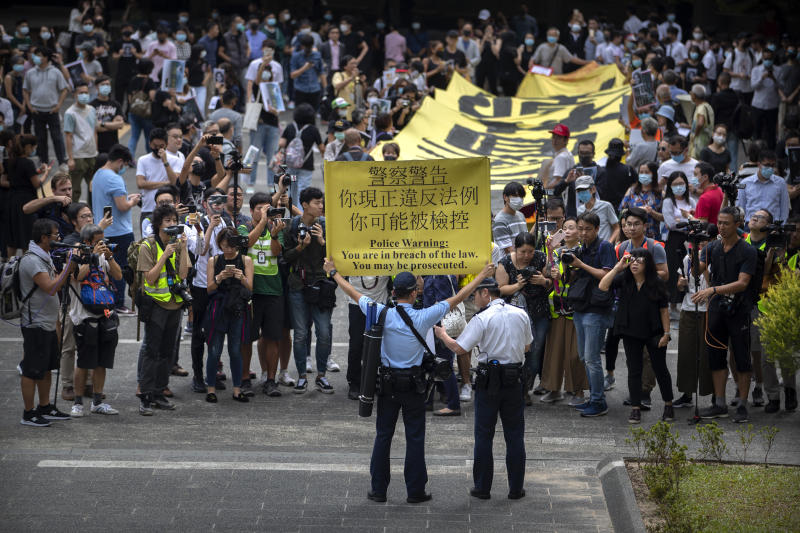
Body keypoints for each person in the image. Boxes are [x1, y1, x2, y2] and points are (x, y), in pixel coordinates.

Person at [322, 258, 494, 504]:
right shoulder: (425, 316)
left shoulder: (380, 312)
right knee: (415, 437)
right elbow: (459, 297)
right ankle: (415, 491)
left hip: (388, 385)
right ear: (415, 293)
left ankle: (378, 490)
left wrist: (334, 273)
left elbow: (353, 292)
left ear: (393, 292)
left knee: (383, 436)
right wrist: (482, 275)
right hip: (414, 387)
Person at [435, 277, 531, 500]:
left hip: (490, 382)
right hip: (514, 379)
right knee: (515, 435)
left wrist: (443, 335)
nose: (474, 299)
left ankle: (482, 487)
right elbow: (527, 346)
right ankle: (516, 488)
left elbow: (459, 348)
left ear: (485, 293)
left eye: (475, 295)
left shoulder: (482, 318)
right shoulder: (521, 314)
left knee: (484, 435)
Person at [692, 206, 758, 423]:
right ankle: (719, 403)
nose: (720, 226)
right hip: (717, 309)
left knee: (741, 358)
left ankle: (742, 403)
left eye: (726, 223)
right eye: (719, 222)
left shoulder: (747, 251)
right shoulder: (711, 248)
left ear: (737, 225)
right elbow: (696, 271)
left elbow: (742, 283)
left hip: (739, 309)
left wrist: (713, 290)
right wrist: (694, 248)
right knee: (716, 356)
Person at [599, 249, 674, 424]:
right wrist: (618, 267)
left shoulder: (656, 283)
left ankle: (668, 405)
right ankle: (635, 408)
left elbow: (664, 311)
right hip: (631, 332)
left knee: (660, 369)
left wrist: (667, 334)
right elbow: (603, 286)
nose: (634, 263)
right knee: (634, 370)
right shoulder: (624, 280)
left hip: (655, 332)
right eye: (631, 260)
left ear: (647, 264)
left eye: (639, 261)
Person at [17, 218, 74, 426]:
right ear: (43, 238)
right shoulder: (32, 260)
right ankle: (28, 412)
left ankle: (45, 406)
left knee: (47, 367)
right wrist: (70, 265)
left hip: (48, 323)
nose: (58, 239)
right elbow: (50, 287)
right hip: (35, 324)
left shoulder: (44, 256)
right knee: (32, 369)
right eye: (55, 236)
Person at [136, 204, 190, 415]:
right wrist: (165, 255)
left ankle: (159, 392)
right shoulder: (148, 246)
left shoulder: (177, 244)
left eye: (174, 221)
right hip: (156, 305)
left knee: (167, 353)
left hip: (175, 304)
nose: (172, 224)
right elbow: (148, 277)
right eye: (167, 221)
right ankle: (145, 396)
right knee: (151, 351)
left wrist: (183, 249)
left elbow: (184, 274)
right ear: (158, 224)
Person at [281, 187, 334, 394]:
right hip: (298, 285)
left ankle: (321, 375)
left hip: (321, 285)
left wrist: (323, 242)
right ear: (304, 205)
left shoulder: (326, 226)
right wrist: (301, 247)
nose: (321, 206)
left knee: (324, 332)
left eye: (322, 203)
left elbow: (336, 256)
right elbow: (285, 257)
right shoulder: (292, 226)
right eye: (317, 203)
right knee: (301, 334)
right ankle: (302, 375)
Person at [68, 224, 122, 417]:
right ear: (87, 242)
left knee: (102, 362)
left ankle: (97, 402)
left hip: (104, 315)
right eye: (99, 241)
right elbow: (76, 277)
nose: (103, 244)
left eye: (103, 240)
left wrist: (109, 256)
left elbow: (118, 275)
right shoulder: (76, 255)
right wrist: (91, 259)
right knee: (83, 362)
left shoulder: (103, 256)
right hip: (84, 317)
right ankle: (78, 403)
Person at [567, 212, 616, 417]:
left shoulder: (604, 246)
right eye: (580, 228)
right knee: (584, 356)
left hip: (597, 309)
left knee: (592, 359)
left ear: (597, 229)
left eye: (588, 229)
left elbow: (607, 275)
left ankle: (598, 402)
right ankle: (593, 398)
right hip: (581, 308)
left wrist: (581, 264)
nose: (583, 232)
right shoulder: (580, 248)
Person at [496, 232, 552, 401]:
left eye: (530, 251)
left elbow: (552, 283)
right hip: (514, 316)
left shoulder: (541, 258)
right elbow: (500, 289)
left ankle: (525, 389)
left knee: (535, 352)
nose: (527, 256)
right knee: (515, 351)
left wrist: (543, 281)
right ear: (515, 249)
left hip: (539, 313)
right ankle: (513, 387)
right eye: (523, 252)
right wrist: (518, 285)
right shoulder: (505, 262)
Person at [540, 217, 588, 405]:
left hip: (575, 308)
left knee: (575, 353)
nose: (567, 231)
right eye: (565, 228)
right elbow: (545, 273)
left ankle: (577, 391)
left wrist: (565, 276)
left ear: (579, 232)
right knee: (555, 351)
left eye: (572, 228)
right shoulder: (556, 251)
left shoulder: (582, 252)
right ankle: (553, 389)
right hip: (557, 308)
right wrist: (550, 269)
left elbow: (582, 277)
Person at [242, 194, 286, 397]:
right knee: (246, 338)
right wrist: (261, 223)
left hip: (273, 291)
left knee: (272, 338)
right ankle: (244, 379)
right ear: (251, 211)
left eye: (267, 208)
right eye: (260, 208)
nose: (265, 212)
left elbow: (277, 252)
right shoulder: (244, 227)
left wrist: (274, 234)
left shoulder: (276, 228)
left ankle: (271, 380)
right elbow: (246, 243)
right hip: (250, 291)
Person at [204, 228, 254, 403]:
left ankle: (237, 389)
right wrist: (219, 278)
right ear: (220, 245)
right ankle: (210, 388)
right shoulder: (214, 260)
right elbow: (209, 288)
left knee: (235, 350)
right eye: (225, 246)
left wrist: (241, 277)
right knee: (214, 350)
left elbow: (250, 288)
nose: (229, 250)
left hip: (237, 309)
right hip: (218, 309)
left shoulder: (246, 260)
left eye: (232, 246)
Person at [91, 145, 140, 314]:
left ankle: (108, 300)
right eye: (125, 165)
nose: (124, 169)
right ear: (120, 161)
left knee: (106, 267)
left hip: (104, 229)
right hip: (120, 231)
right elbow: (122, 205)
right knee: (120, 268)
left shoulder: (98, 174)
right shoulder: (114, 178)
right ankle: (118, 303)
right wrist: (133, 201)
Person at [673, 234, 714, 408]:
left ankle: (714, 394)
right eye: (697, 241)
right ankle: (687, 393)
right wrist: (681, 283)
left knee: (708, 354)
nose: (700, 244)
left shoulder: (715, 257)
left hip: (708, 310)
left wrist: (702, 263)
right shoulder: (686, 258)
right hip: (688, 308)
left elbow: (713, 282)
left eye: (704, 240)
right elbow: (679, 285)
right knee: (686, 352)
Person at [23, 47, 69, 170]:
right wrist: (29, 105)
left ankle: (62, 161)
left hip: (52, 110)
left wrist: (59, 105)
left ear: (46, 57)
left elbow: (64, 89)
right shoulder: (30, 72)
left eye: (39, 55)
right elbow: (25, 90)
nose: (36, 57)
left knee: (57, 137)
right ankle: (43, 161)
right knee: (40, 138)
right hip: (37, 110)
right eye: (36, 55)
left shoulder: (55, 72)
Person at [8, 134, 51, 255]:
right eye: (33, 148)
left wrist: (37, 172)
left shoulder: (12, 161)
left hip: (13, 200)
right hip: (27, 201)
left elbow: (20, 177)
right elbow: (37, 183)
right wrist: (46, 173)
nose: (34, 150)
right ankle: (28, 265)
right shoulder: (27, 163)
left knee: (14, 237)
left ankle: (9, 266)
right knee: (27, 235)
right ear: (27, 147)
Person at [661, 171, 697, 306]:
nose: (679, 187)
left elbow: (696, 221)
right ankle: (673, 303)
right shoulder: (668, 201)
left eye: (681, 183)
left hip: (690, 239)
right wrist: (687, 219)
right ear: (670, 186)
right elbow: (670, 224)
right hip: (674, 240)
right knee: (674, 269)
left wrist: (681, 220)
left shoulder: (691, 200)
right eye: (675, 184)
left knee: (687, 269)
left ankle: (685, 300)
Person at [278, 104, 324, 207]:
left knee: (292, 188)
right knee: (303, 190)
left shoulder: (290, 127)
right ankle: (300, 214)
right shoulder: (313, 129)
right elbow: (321, 147)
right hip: (306, 165)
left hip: (291, 165)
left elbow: (281, 143)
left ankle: (292, 212)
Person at [136, 128, 180, 229]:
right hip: (148, 209)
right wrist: (165, 183)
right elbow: (141, 183)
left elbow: (174, 182)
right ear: (149, 144)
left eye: (161, 146)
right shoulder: (143, 160)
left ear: (166, 144)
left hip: (169, 210)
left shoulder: (175, 160)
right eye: (154, 146)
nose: (157, 149)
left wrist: (165, 162)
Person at [64, 82, 98, 204]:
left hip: (91, 155)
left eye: (86, 93)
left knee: (94, 188)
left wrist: (96, 151)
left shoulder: (92, 110)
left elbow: (95, 131)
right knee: (75, 189)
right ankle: (72, 214)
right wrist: (70, 158)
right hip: (78, 156)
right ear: (75, 95)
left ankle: (92, 214)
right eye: (81, 93)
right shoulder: (70, 113)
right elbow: (68, 136)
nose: (84, 95)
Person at [737, 150, 790, 225]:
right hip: (751, 227)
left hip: (773, 227)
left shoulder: (780, 183)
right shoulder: (745, 183)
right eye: (767, 165)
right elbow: (740, 208)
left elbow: (784, 208)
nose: (770, 168)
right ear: (759, 164)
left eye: (772, 165)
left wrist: (781, 227)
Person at [619, 163, 663, 239]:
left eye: (647, 172)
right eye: (641, 172)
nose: (643, 175)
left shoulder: (660, 194)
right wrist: (636, 210)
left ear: (654, 174)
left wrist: (652, 212)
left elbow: (665, 218)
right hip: (632, 236)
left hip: (653, 236)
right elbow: (621, 211)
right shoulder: (631, 191)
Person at [595, 138, 636, 214]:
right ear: (621, 155)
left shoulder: (601, 170)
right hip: (624, 209)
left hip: (604, 210)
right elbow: (635, 187)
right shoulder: (628, 169)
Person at [575, 176, 620, 243]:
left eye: (584, 190)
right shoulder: (579, 210)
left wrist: (609, 243)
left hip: (604, 247)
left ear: (593, 189)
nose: (581, 193)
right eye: (579, 191)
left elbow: (617, 228)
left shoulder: (606, 206)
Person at [751, 49, 780, 149]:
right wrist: (761, 78)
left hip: (772, 105)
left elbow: (781, 87)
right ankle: (756, 152)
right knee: (757, 131)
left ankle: (771, 153)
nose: (768, 60)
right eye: (766, 58)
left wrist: (773, 78)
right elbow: (753, 86)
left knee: (771, 132)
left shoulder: (778, 70)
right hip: (758, 105)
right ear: (762, 59)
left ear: (773, 59)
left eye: (770, 58)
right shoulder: (756, 70)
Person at [492, 182, 528, 257]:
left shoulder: (521, 215)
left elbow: (526, 240)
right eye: (515, 196)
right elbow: (509, 251)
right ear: (505, 197)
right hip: (508, 265)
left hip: (522, 260)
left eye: (521, 196)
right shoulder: (500, 221)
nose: (519, 199)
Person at [91, 75, 125, 155]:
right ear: (96, 87)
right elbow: (95, 127)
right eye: (103, 84)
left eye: (107, 84)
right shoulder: (91, 106)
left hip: (113, 146)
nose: (105, 87)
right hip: (97, 146)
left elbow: (120, 125)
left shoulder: (116, 104)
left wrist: (102, 124)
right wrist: (112, 125)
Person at [290, 34, 325, 111]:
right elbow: (292, 75)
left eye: (310, 47)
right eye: (306, 47)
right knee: (300, 114)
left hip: (315, 89)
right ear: (302, 46)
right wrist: (305, 67)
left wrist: (325, 89)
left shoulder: (317, 55)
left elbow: (322, 72)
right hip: (301, 89)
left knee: (313, 114)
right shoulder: (296, 56)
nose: (308, 49)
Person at [542, 123, 575, 190]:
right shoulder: (568, 154)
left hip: (557, 197)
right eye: (554, 137)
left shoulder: (560, 157)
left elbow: (558, 181)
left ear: (566, 140)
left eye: (559, 137)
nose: (555, 140)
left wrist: (544, 190)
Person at [689, 84, 714, 159]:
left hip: (699, 143)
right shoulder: (707, 106)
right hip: (706, 140)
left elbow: (700, 123)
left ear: (694, 95)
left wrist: (695, 135)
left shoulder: (701, 108)